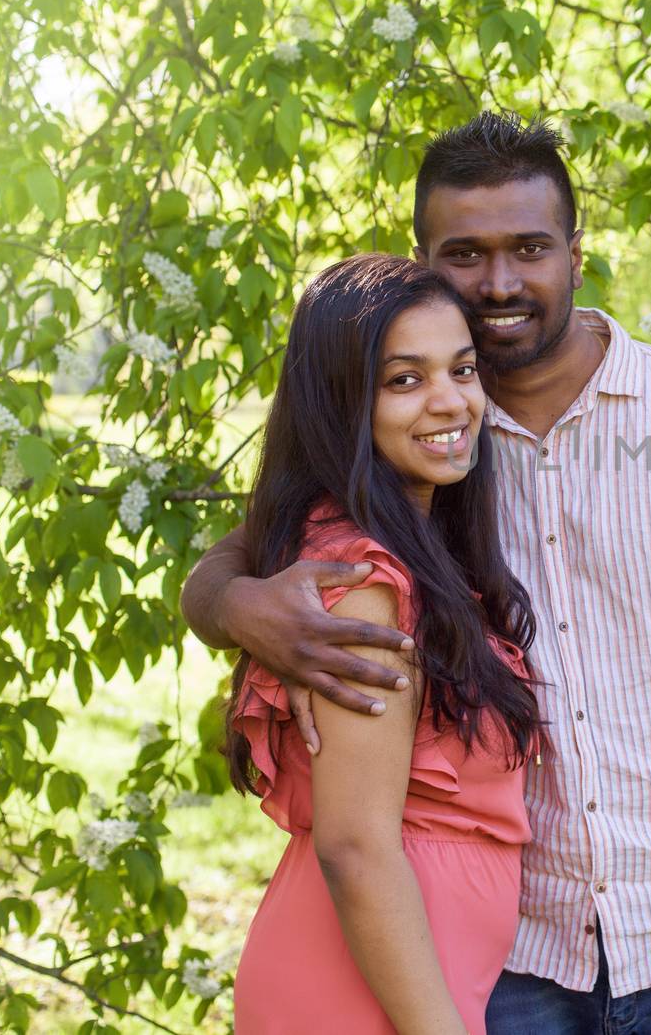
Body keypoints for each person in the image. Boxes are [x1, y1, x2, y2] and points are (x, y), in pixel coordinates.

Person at [183, 112, 651, 1035]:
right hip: (509, 956)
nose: (500, 281)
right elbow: (258, 542)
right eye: (466, 252)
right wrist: (235, 602)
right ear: (425, 258)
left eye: (529, 246)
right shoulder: (413, 442)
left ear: (575, 249)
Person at [222, 253, 541, 1035]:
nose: (450, 401)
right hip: (363, 999)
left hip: (410, 986)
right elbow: (356, 846)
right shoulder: (363, 578)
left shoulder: (419, 547)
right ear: (341, 402)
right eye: (405, 379)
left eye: (461, 369)